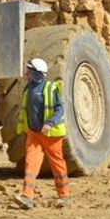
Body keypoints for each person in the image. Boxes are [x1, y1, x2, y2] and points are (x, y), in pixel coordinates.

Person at [13, 58, 70, 210]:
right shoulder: (28, 89)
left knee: (57, 163)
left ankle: (63, 195)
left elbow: (59, 109)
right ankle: (27, 197)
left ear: (38, 74)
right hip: (34, 133)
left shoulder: (51, 88)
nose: (26, 74)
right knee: (31, 163)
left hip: (51, 134)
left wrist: (50, 123)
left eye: (29, 72)